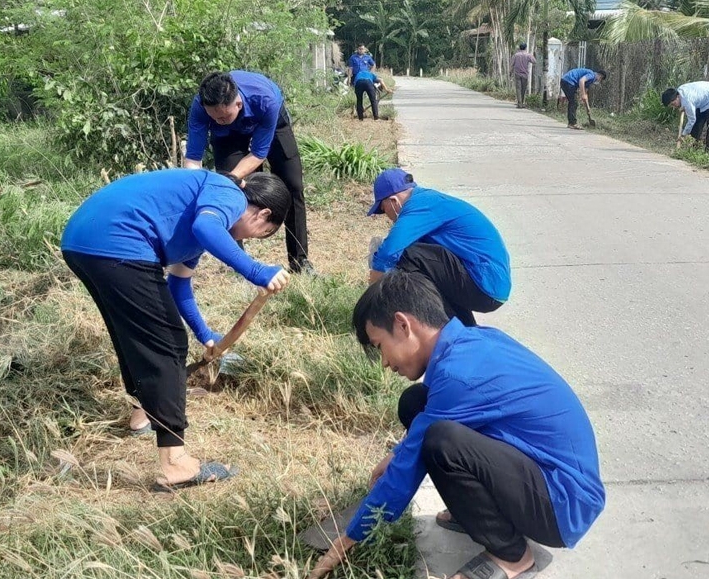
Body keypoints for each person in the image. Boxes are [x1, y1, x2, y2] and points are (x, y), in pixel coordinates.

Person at [307, 271, 606, 579]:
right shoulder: (471, 343)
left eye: (379, 345)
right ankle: (478, 516)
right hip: (545, 477)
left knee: (440, 441)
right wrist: (397, 454)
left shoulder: (459, 376)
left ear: (402, 324)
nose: (384, 362)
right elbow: (421, 433)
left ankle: (512, 556)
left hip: (562, 505)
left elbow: (407, 470)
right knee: (416, 402)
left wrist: (342, 546)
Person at [60, 169, 291, 491]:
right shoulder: (229, 194)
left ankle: (142, 414)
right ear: (263, 213)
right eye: (258, 234)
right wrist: (256, 270)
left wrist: (205, 334)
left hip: (83, 242)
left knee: (136, 335)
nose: (245, 241)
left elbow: (179, 286)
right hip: (119, 240)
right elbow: (208, 227)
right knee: (167, 343)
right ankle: (175, 464)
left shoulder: (198, 218)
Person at [184, 71, 314, 274]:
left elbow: (258, 154)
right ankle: (238, 263)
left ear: (238, 104)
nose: (219, 120)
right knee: (229, 193)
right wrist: (195, 188)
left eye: (224, 115)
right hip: (228, 137)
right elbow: (193, 157)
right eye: (214, 117)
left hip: (270, 119)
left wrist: (232, 178)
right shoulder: (202, 107)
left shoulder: (265, 100)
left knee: (293, 186)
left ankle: (300, 262)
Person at [366, 167, 511, 327]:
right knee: (425, 263)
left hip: (484, 284)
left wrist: (375, 284)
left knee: (407, 256)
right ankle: (465, 334)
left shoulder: (420, 206)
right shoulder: (429, 200)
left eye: (383, 209)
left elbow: (389, 252)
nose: (387, 216)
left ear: (393, 201)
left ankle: (411, 325)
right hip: (489, 284)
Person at [662, 81, 709, 149]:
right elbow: (688, 103)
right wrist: (683, 106)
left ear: (677, 97)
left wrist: (683, 135)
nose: (674, 107)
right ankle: (694, 149)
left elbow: (691, 120)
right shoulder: (680, 91)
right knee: (696, 126)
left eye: (673, 104)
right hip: (703, 100)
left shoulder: (687, 101)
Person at [511, 42, 536, 109]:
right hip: (525, 74)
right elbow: (534, 61)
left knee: (518, 89)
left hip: (517, 74)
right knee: (523, 89)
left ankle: (519, 103)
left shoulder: (516, 55)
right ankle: (521, 102)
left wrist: (510, 72)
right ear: (525, 47)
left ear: (519, 47)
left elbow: (512, 64)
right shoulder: (528, 55)